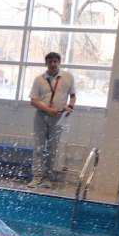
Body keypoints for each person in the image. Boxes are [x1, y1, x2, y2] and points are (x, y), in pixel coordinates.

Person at [28, 51, 76, 188]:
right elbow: (33, 100)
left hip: (58, 117)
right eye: (50, 62)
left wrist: (70, 107)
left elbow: (73, 96)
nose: (53, 64)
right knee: (38, 148)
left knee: (52, 149)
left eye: (55, 61)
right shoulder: (39, 79)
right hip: (41, 116)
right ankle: (36, 177)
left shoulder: (68, 77)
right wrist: (48, 109)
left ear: (59, 62)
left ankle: (48, 178)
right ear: (46, 63)